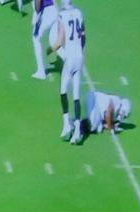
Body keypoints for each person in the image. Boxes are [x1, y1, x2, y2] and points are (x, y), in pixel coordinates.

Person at [55, 0, 89, 143]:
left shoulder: (62, 15)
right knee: (76, 95)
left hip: (69, 59)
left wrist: (50, 49)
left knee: (63, 91)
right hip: (79, 57)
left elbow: (60, 40)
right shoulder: (79, 13)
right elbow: (83, 35)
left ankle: (66, 125)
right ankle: (77, 130)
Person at [30, 0, 59, 79]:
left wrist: (37, 14)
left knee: (36, 38)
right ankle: (70, 67)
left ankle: (41, 71)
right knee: (54, 40)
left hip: (47, 12)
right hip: (55, 10)